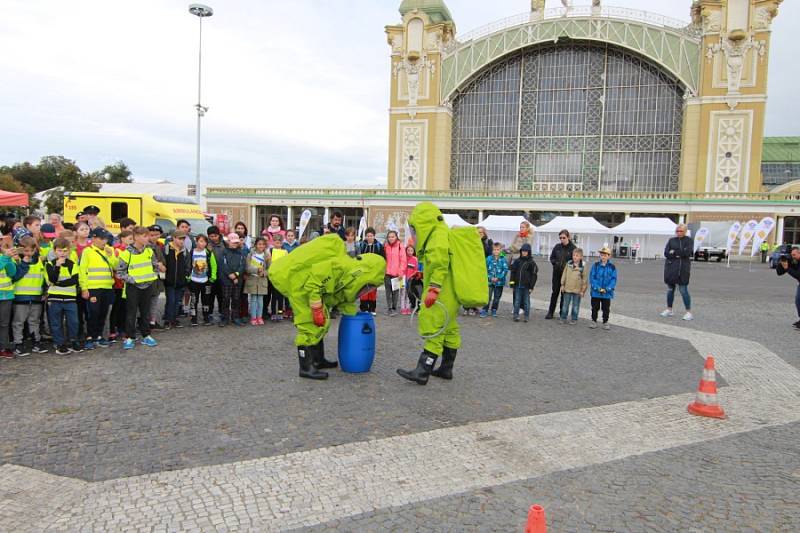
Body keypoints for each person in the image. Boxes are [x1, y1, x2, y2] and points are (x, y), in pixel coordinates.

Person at [268, 234, 386, 380]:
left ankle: (318, 360)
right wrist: (317, 308)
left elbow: (341, 296)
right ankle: (305, 367)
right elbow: (314, 283)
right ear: (363, 272)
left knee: (321, 323)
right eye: (369, 285)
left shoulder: (350, 276)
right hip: (300, 286)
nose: (366, 290)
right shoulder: (339, 266)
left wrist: (353, 314)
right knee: (308, 324)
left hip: (308, 289)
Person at [397, 202, 485, 384]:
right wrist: (425, 273)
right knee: (449, 327)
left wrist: (434, 288)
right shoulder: (441, 233)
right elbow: (437, 263)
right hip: (451, 290)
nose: (414, 232)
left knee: (434, 326)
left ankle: (422, 371)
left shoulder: (436, 237)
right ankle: (446, 368)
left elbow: (440, 263)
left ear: (422, 223)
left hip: (442, 291)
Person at [116, 226, 160, 349]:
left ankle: (146, 335)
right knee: (131, 313)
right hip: (133, 287)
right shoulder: (126, 253)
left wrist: (152, 277)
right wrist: (133, 280)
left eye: (148, 236)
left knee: (146, 312)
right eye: (145, 236)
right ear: (136, 237)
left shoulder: (149, 251)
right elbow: (120, 272)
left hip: (147, 286)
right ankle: (130, 337)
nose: (148, 238)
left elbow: (155, 266)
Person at [79, 228, 118, 350]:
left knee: (103, 312)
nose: (104, 241)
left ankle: (100, 336)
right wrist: (84, 288)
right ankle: (90, 336)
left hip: (107, 287)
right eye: (101, 238)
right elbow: (82, 270)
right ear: (94, 238)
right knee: (93, 313)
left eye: (105, 238)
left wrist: (111, 255)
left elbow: (116, 265)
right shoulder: (87, 251)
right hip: (93, 288)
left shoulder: (110, 250)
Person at [11, 236, 47, 356]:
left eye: (31, 251)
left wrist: (44, 292)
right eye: (26, 251)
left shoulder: (39, 261)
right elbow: (15, 276)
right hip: (21, 297)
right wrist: (24, 264)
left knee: (34, 321)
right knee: (19, 322)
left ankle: (36, 341)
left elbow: (43, 278)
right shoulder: (17, 261)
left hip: (36, 297)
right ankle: (18, 343)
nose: (29, 253)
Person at [46, 238, 82, 355]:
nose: (62, 253)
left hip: (70, 298)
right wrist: (57, 267)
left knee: (73, 321)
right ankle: (59, 343)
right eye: (60, 251)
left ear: (69, 251)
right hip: (54, 298)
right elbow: (52, 279)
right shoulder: (50, 264)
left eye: (65, 251)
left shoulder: (72, 264)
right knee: (56, 322)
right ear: (55, 251)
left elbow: (74, 280)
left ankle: (73, 340)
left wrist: (59, 283)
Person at [661, 224, 694, 321]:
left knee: (683, 290)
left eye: (681, 231)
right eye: (677, 231)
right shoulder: (671, 240)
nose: (679, 233)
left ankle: (688, 312)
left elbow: (687, 253)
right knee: (670, 289)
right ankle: (669, 309)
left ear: (685, 231)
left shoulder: (689, 240)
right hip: (671, 268)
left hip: (683, 269)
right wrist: (678, 253)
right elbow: (666, 253)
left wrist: (674, 252)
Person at [546, 229, 576, 320]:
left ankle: (562, 313)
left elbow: (575, 261)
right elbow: (552, 258)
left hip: (567, 275)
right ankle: (550, 312)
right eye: (560, 238)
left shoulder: (573, 248)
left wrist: (568, 267)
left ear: (568, 237)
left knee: (564, 294)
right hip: (556, 273)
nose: (562, 239)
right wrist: (555, 263)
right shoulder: (557, 247)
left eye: (564, 237)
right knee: (554, 292)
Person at [110, 230, 134, 342]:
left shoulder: (133, 250)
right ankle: (112, 330)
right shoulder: (117, 250)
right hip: (118, 283)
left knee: (125, 308)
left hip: (128, 283)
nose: (132, 241)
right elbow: (115, 266)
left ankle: (123, 329)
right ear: (122, 239)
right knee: (116, 307)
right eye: (130, 239)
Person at [188, 234, 217, 326]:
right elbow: (187, 265)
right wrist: (187, 277)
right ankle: (193, 317)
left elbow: (213, 265)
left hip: (206, 281)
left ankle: (206, 317)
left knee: (206, 300)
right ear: (196, 242)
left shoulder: (208, 253)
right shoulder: (192, 252)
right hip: (194, 280)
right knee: (194, 300)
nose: (202, 243)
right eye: (200, 241)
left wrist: (213, 277)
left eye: (204, 242)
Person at [163, 231, 190, 328]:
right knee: (171, 300)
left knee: (177, 301)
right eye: (179, 239)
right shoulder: (166, 249)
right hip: (169, 281)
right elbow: (163, 263)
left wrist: (185, 276)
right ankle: (168, 319)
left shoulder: (185, 251)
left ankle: (174, 319)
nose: (181, 241)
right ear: (173, 238)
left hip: (180, 281)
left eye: (183, 239)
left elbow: (188, 265)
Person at [219, 233, 246, 326]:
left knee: (236, 299)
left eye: (236, 242)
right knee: (226, 299)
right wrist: (230, 274)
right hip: (226, 280)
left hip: (237, 280)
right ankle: (224, 318)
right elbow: (223, 265)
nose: (235, 244)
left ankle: (236, 317)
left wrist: (236, 275)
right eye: (233, 242)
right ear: (228, 242)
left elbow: (242, 266)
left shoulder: (241, 253)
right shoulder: (224, 252)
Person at [589, 246, 617, 330]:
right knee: (594, 307)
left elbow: (613, 279)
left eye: (605, 255)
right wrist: (597, 288)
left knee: (606, 308)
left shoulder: (612, 267)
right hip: (596, 292)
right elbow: (592, 277)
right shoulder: (595, 265)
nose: (603, 257)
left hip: (607, 293)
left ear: (609, 256)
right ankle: (594, 321)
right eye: (602, 255)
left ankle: (605, 322)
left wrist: (608, 288)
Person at [358, 228, 383, 315]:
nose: (369, 237)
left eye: (371, 236)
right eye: (368, 236)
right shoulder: (361, 245)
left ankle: (372, 309)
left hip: (374, 272)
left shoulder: (379, 246)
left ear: (374, 236)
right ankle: (364, 308)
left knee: (372, 290)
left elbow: (382, 259)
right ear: (365, 236)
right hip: (364, 271)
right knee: (363, 290)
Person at [509, 243, 537, 323]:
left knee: (526, 302)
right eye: (523, 251)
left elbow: (534, 276)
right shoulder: (517, 261)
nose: (524, 252)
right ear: (521, 251)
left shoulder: (532, 263)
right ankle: (516, 315)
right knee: (517, 301)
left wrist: (531, 287)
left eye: (526, 251)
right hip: (517, 285)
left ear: (529, 252)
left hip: (527, 287)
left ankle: (526, 316)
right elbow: (513, 272)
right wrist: (512, 284)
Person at [146, 225, 167, 330]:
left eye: (157, 235)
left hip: (157, 278)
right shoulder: (145, 247)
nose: (154, 237)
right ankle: (143, 321)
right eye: (152, 235)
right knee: (145, 302)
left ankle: (152, 321)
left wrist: (162, 265)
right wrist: (158, 264)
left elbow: (163, 260)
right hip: (146, 278)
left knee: (154, 301)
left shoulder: (158, 246)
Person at [245, 237, 270, 325]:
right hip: (252, 280)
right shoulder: (250, 255)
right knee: (253, 299)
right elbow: (247, 268)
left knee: (260, 300)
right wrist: (256, 270)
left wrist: (264, 273)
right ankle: (253, 317)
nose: (261, 246)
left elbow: (270, 269)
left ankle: (259, 317)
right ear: (255, 245)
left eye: (263, 244)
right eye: (259, 244)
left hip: (262, 280)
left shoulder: (267, 256)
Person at [559, 248, 588, 325]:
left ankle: (574, 318)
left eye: (577, 256)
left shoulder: (583, 266)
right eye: (574, 255)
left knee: (575, 306)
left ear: (581, 257)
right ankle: (563, 317)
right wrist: (562, 284)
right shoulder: (568, 264)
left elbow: (585, 279)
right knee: (565, 305)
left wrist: (583, 290)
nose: (575, 257)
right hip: (567, 288)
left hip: (577, 290)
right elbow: (564, 274)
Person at [481, 242, 509, 318]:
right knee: (488, 297)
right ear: (492, 250)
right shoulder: (489, 258)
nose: (496, 251)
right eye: (494, 250)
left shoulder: (503, 259)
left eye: (497, 250)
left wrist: (498, 277)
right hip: (489, 282)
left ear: (500, 250)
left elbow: (505, 270)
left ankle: (494, 309)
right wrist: (490, 277)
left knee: (497, 298)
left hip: (499, 283)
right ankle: (485, 310)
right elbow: (484, 269)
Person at [776, 246, 800, 329]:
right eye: (791, 255)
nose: (792, 256)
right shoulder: (794, 261)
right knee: (798, 302)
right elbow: (779, 273)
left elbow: (798, 275)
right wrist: (781, 263)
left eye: (794, 255)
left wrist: (787, 268)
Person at [383, 230, 406, 316]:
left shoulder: (400, 246)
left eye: (392, 236)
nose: (391, 238)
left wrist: (401, 272)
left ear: (396, 237)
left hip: (397, 274)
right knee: (387, 292)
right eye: (389, 237)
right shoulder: (385, 246)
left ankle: (394, 308)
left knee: (395, 292)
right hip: (387, 273)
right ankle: (389, 308)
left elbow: (403, 260)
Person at [0, 241, 17, 358]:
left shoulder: (4, 257)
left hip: (6, 295)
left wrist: (9, 259)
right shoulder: (4, 257)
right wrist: (6, 258)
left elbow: (12, 272)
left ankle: (3, 347)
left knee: (4, 324)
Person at [206, 226, 227, 322]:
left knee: (221, 295)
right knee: (209, 296)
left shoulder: (224, 244)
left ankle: (222, 312)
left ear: (219, 235)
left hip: (222, 274)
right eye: (211, 236)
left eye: (215, 236)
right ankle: (209, 313)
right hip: (210, 275)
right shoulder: (206, 245)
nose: (213, 238)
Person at [268, 234, 289, 321]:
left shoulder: (285, 251)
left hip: (281, 276)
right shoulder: (271, 251)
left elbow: (287, 262)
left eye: (280, 243)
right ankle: (273, 312)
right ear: (273, 242)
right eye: (276, 242)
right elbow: (269, 262)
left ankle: (280, 312)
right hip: (273, 276)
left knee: (280, 296)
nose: (278, 244)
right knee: (274, 296)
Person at [401, 244, 420, 315]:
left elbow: (416, 270)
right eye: (408, 250)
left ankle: (408, 308)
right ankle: (403, 308)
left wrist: (411, 276)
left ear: (413, 251)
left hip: (410, 279)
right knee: (403, 294)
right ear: (405, 251)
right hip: (403, 278)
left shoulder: (415, 259)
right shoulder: (403, 258)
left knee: (409, 294)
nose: (409, 252)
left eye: (411, 250)